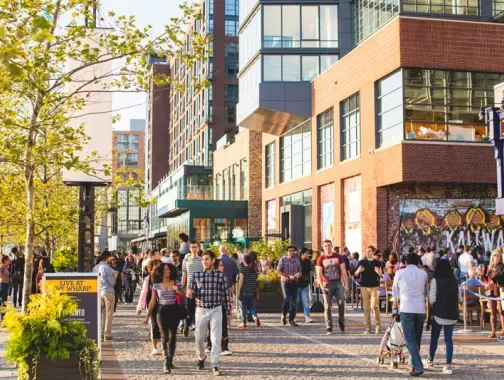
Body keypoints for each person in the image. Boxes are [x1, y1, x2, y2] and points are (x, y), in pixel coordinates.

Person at [187, 251, 231, 376]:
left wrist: (228, 312)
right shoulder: (197, 275)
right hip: (201, 309)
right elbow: (192, 290)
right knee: (199, 339)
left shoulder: (220, 276)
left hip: (216, 309)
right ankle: (201, 357)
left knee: (216, 338)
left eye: (207, 259)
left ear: (212, 261)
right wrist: (190, 292)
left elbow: (225, 296)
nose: (204, 262)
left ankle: (215, 364)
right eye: (203, 260)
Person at [144, 262, 184, 374]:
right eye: (164, 270)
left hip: (174, 311)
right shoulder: (156, 285)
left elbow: (185, 296)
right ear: (160, 272)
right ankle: (166, 363)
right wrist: (147, 316)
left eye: (168, 269)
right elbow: (152, 302)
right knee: (164, 336)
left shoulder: (176, 283)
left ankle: (170, 360)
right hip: (161, 311)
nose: (167, 271)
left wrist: (177, 291)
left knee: (173, 336)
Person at [392, 253, 428, 377]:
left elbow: (395, 292)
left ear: (405, 262)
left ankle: (417, 365)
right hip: (420, 308)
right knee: (416, 339)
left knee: (409, 339)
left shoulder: (399, 273)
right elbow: (426, 292)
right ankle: (413, 364)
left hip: (406, 307)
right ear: (418, 262)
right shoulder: (423, 274)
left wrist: (395, 305)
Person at [424, 259, 461, 375]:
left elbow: (432, 299)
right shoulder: (455, 281)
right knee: (448, 340)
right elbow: (460, 299)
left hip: (439, 314)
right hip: (452, 315)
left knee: (434, 338)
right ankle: (448, 364)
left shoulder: (435, 281)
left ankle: (430, 360)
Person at [316, 241, 348, 334]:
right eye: (325, 246)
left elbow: (343, 271)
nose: (328, 247)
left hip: (337, 283)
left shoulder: (338, 257)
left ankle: (341, 321)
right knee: (327, 306)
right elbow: (319, 273)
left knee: (341, 302)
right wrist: (321, 286)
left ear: (332, 246)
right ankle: (329, 326)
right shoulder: (321, 258)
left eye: (329, 245)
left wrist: (345, 284)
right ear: (323, 247)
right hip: (327, 284)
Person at [206, 259, 233, 356]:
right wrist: (228, 310)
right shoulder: (222, 277)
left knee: (210, 326)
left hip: (208, 305)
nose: (223, 267)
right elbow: (225, 295)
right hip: (219, 305)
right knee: (223, 327)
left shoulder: (208, 275)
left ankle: (209, 346)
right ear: (216, 266)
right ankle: (224, 347)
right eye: (221, 265)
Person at [355, 245, 383, 334]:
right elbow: (355, 274)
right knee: (366, 308)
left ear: (373, 252)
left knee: (375, 306)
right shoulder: (362, 262)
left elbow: (382, 275)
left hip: (374, 286)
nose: (367, 253)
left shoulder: (377, 263)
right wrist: (358, 271)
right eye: (366, 251)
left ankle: (378, 325)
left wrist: (379, 273)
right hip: (364, 286)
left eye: (369, 251)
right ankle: (368, 327)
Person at [137, 259, 163, 355]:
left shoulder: (165, 277)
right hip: (152, 304)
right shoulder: (148, 279)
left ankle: (165, 346)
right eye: (155, 265)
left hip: (165, 304)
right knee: (154, 325)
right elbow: (143, 293)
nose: (157, 267)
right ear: (151, 268)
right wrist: (140, 307)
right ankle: (155, 347)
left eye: (159, 265)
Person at [93, 251, 117, 341]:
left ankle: (100, 332)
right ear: (107, 258)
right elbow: (112, 282)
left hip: (99, 291)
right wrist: (115, 276)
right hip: (108, 291)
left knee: (101, 313)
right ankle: (107, 334)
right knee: (108, 313)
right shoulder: (108, 268)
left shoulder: (95, 268)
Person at [181, 240, 203, 337]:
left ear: (198, 248)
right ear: (189, 248)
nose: (194, 249)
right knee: (189, 309)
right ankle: (187, 324)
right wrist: (182, 285)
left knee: (200, 309)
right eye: (192, 247)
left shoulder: (202, 260)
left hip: (200, 288)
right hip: (189, 287)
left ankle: (198, 328)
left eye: (196, 247)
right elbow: (184, 273)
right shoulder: (186, 259)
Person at [277, 246, 302, 327]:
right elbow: (279, 271)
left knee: (294, 302)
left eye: (293, 251)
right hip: (285, 282)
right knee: (287, 298)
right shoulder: (283, 259)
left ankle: (291, 319)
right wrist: (288, 276)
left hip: (295, 282)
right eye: (290, 251)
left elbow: (300, 271)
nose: (292, 252)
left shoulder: (297, 260)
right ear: (287, 252)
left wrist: (298, 275)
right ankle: (283, 315)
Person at [237, 254, 260, 328]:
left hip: (244, 292)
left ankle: (243, 323)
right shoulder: (254, 271)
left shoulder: (243, 270)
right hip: (252, 292)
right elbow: (255, 283)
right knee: (252, 308)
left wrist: (238, 291)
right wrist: (256, 292)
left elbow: (241, 282)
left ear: (245, 261)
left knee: (243, 308)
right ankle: (255, 318)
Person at [486, 249, 504, 339]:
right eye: (495, 255)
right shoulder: (489, 266)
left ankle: (503, 331)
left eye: (498, 255)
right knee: (492, 312)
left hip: (499, 290)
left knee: (501, 311)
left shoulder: (501, 266)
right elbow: (487, 278)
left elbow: (498, 277)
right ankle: (493, 331)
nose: (497, 257)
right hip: (490, 290)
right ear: (492, 256)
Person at [298, 248, 314, 323]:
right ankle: (292, 316)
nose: (308, 254)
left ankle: (307, 316)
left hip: (305, 284)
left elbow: (311, 271)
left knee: (306, 301)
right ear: (302, 254)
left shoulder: (308, 262)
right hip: (297, 284)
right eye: (306, 253)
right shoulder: (297, 261)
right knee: (295, 301)